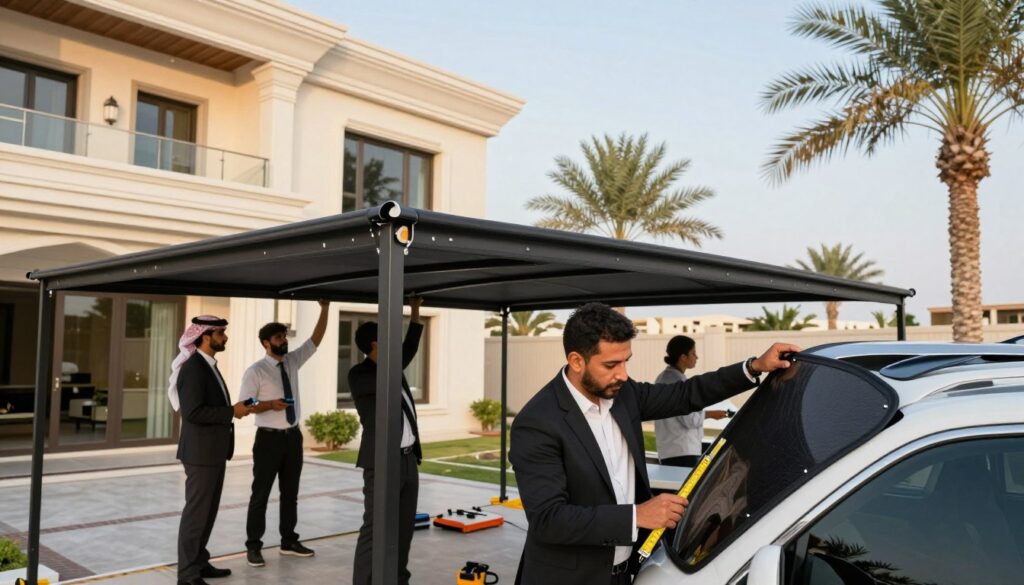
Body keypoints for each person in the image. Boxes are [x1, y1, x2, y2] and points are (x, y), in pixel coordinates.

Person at [509, 303, 798, 585]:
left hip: (624, 573)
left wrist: (754, 366)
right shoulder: (537, 423)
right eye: (611, 364)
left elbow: (685, 394)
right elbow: (548, 520)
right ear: (576, 361)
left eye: (626, 361)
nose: (623, 374)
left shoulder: (624, 394)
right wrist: (637, 515)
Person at [239, 300, 330, 567]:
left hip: (293, 438)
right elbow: (244, 405)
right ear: (266, 343)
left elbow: (315, 340)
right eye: (279, 337)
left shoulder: (291, 362)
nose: (284, 340)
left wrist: (325, 309)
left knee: (290, 494)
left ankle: (288, 541)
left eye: (284, 336)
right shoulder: (255, 371)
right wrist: (269, 405)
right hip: (268, 439)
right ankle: (253, 546)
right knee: (260, 495)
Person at [169, 315, 253, 585]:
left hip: (213, 452)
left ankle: (200, 563)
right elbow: (192, 412)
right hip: (201, 454)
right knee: (196, 515)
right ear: (204, 336)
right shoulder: (193, 368)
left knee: (207, 512)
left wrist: (234, 410)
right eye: (220, 333)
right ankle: (187, 575)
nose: (225, 337)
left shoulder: (208, 365)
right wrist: (231, 412)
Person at [348, 297, 424, 585]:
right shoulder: (359, 374)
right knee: (375, 527)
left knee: (404, 527)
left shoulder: (393, 367)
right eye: (387, 338)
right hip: (381, 463)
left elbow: (410, 346)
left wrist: (415, 310)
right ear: (375, 344)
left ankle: (398, 579)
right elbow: (386, 377)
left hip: (408, 461)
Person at [654, 336, 730, 468]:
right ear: (683, 357)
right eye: (693, 353)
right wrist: (710, 414)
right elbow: (690, 420)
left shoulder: (663, 378)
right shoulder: (678, 383)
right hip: (682, 451)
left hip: (670, 449)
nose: (697, 357)